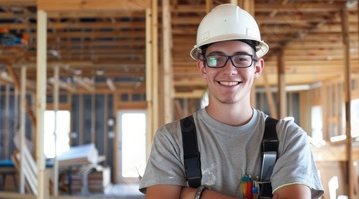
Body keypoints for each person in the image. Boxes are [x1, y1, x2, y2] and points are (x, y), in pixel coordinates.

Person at [139, 3, 324, 199]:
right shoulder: (171, 139)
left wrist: (195, 195)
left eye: (241, 58)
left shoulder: (289, 138)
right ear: (203, 68)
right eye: (216, 59)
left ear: (258, 68)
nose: (229, 70)